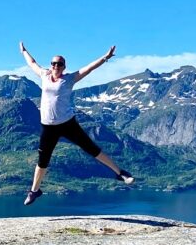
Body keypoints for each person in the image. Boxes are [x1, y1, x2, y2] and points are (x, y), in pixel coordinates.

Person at [19, 41, 134, 205]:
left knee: (91, 148)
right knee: (43, 160)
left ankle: (120, 173)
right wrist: (24, 51)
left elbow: (89, 68)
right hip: (48, 126)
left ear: (64, 67)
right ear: (50, 65)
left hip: (67, 123)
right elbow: (32, 63)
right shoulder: (44, 75)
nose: (56, 66)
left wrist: (106, 57)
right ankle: (34, 191)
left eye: (59, 64)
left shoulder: (69, 79)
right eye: (53, 63)